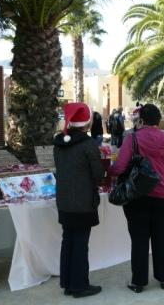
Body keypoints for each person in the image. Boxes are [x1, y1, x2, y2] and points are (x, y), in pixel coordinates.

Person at [108, 104, 164, 293]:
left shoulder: (132, 139)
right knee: (161, 237)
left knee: (139, 238)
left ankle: (138, 282)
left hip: (137, 195)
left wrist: (108, 171)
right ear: (159, 121)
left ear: (141, 120)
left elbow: (119, 168)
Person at [53, 103, 105, 298]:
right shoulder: (88, 144)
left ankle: (67, 283)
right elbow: (98, 173)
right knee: (81, 243)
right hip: (83, 201)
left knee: (68, 240)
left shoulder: (59, 143)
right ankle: (80, 285)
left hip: (65, 200)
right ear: (87, 122)